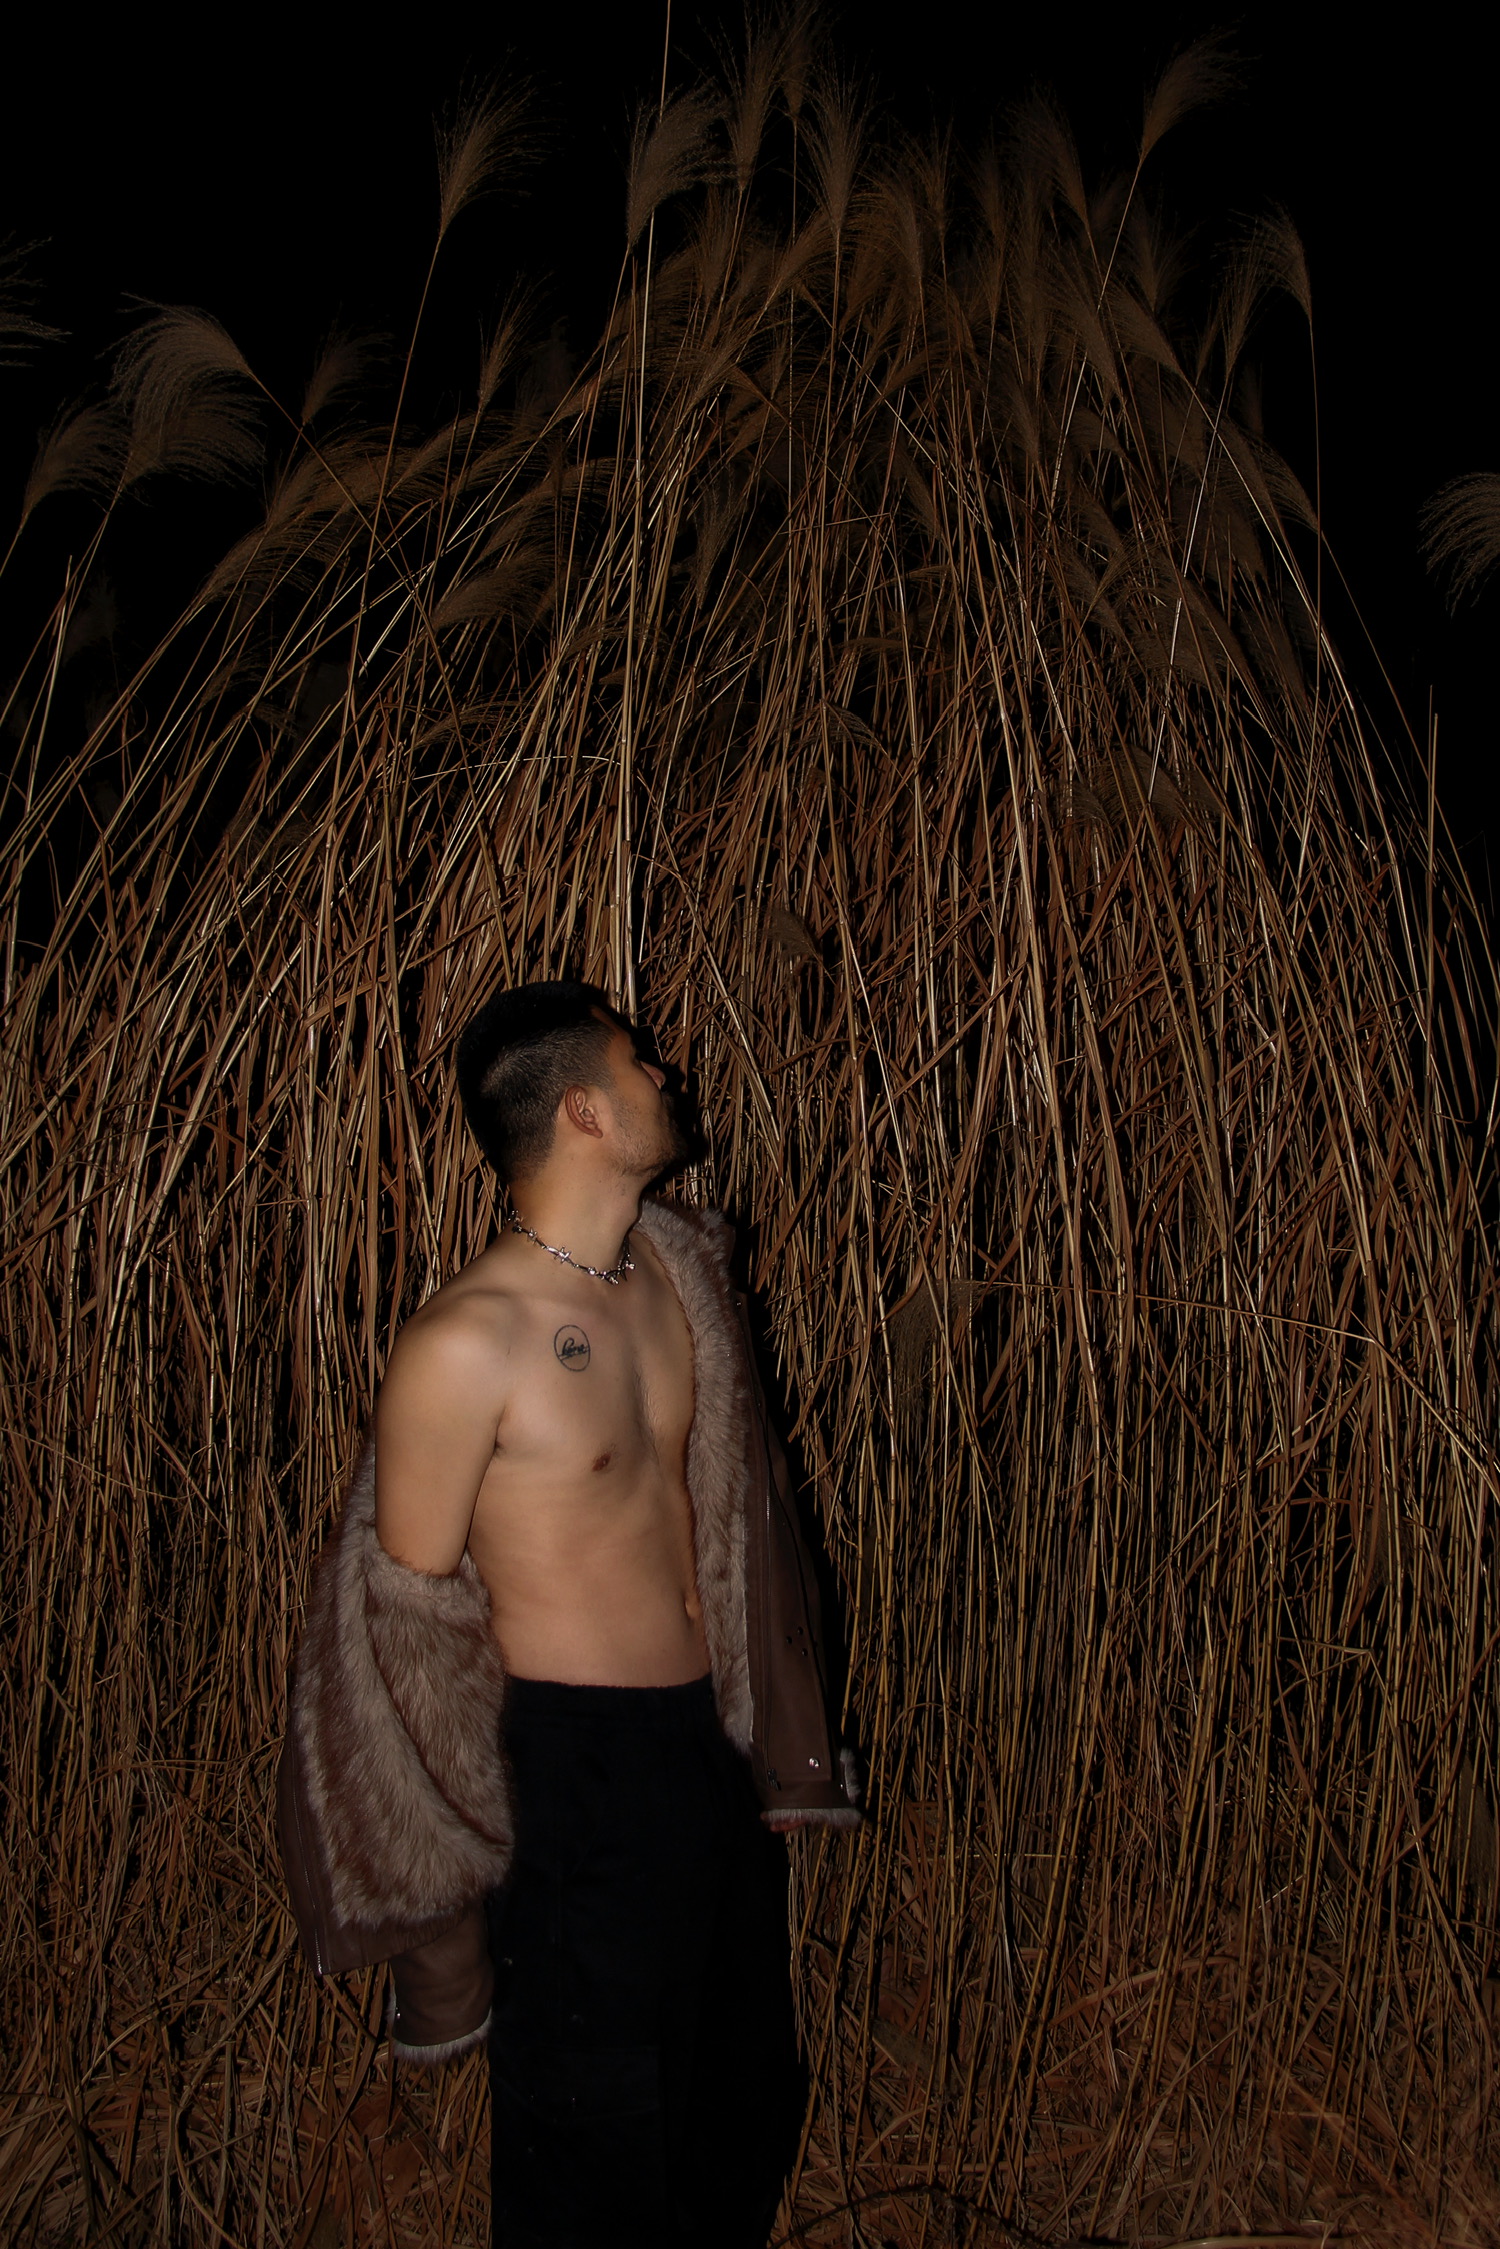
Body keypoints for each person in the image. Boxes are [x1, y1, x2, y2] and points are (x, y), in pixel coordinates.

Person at [278, 979, 859, 2249]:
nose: (667, 1074)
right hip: (570, 1784)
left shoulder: (676, 1278)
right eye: (638, 1060)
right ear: (584, 1109)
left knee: (738, 2089)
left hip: (703, 1752)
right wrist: (446, 1863)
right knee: (590, 2146)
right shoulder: (464, 1344)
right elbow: (396, 1635)